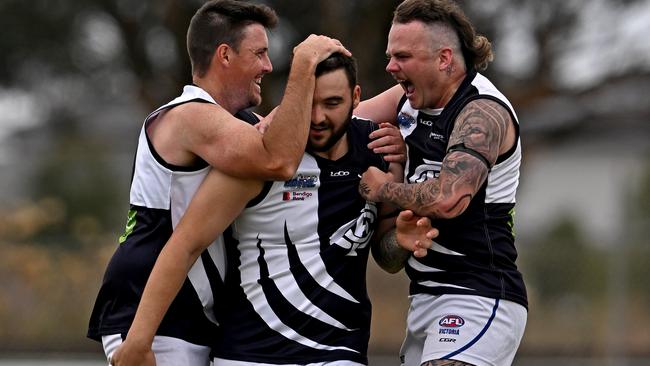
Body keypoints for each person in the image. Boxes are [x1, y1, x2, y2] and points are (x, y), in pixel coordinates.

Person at [86, 0, 350, 365]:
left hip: (192, 318)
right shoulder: (189, 115)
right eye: (259, 53)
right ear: (225, 55)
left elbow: (301, 129)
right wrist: (304, 65)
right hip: (149, 320)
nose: (268, 66)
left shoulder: (235, 122)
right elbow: (279, 159)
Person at [110, 53, 405, 366]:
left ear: (355, 97)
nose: (317, 117)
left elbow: (388, 255)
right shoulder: (259, 158)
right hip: (250, 355)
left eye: (332, 103)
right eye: (309, 103)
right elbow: (184, 245)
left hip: (339, 353)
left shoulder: (378, 149)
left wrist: (403, 241)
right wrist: (138, 342)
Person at [354, 0, 528, 365]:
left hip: (479, 295)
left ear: (444, 59)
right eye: (389, 55)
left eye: (402, 56)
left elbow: (450, 199)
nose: (390, 66)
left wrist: (383, 187)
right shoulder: (407, 102)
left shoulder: (482, 111)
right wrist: (258, 125)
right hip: (423, 301)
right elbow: (336, 119)